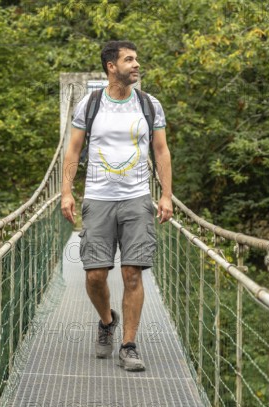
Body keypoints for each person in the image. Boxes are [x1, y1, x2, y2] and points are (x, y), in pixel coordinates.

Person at [61, 40, 173, 371]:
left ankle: (129, 344)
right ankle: (107, 320)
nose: (137, 64)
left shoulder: (150, 104)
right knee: (95, 275)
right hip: (97, 198)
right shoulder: (89, 105)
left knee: (132, 273)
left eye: (137, 59)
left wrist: (165, 194)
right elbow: (73, 150)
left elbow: (161, 150)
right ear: (112, 67)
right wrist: (67, 192)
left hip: (138, 198)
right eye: (129, 60)